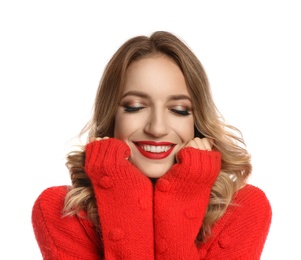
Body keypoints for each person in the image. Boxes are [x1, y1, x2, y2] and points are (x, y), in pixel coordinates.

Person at [31, 31, 272, 259]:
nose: (157, 128)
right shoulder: (61, 210)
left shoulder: (244, 209)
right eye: (135, 107)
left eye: (178, 110)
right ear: (111, 117)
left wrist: (185, 193)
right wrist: (121, 189)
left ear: (196, 123)